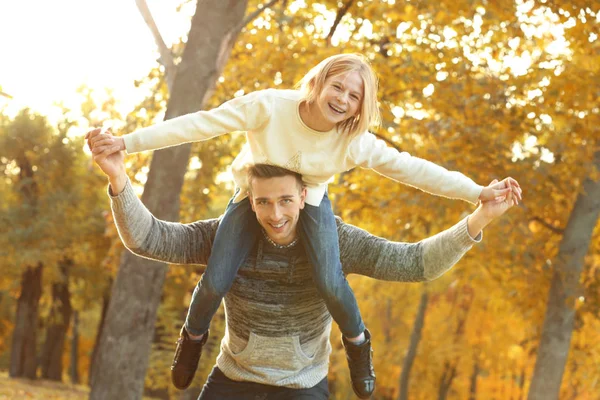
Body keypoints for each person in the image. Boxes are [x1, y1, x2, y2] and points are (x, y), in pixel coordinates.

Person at [86, 53, 522, 397]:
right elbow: (199, 126)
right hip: (247, 203)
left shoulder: (351, 143)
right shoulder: (269, 107)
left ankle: (357, 346)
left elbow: (412, 174)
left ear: (360, 106)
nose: (343, 100)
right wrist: (127, 147)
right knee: (215, 278)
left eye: (354, 96)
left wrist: (476, 196)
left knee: (331, 281)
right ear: (317, 82)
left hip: (311, 218)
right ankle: (192, 337)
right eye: (338, 86)